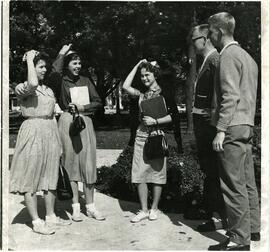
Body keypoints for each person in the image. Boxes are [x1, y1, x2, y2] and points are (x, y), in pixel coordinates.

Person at [207, 12, 260, 250]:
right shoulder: (248, 57)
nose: (210, 36)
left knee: (232, 184)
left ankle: (239, 239)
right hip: (246, 125)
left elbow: (230, 96)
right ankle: (253, 229)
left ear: (218, 31)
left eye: (210, 32)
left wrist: (220, 130)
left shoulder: (227, 56)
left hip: (231, 126)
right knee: (247, 181)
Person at [9, 50, 71, 235]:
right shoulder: (23, 87)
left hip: (49, 130)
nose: (44, 70)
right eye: (41, 66)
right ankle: (36, 221)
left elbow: (52, 113)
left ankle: (50, 216)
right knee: (31, 176)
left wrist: (57, 141)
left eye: (45, 66)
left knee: (51, 174)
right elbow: (33, 82)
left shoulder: (49, 89)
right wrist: (29, 58)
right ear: (32, 67)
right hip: (32, 131)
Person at [52, 44, 105, 222]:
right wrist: (62, 53)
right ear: (67, 65)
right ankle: (75, 206)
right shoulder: (61, 81)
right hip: (67, 121)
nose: (77, 66)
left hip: (85, 122)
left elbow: (98, 101)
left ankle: (90, 206)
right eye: (74, 63)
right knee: (70, 162)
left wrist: (84, 106)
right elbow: (54, 70)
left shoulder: (86, 80)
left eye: (79, 63)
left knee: (88, 164)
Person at [123, 59, 178, 222]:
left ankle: (154, 208)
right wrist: (137, 64)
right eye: (142, 76)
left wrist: (155, 122)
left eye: (147, 74)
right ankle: (144, 210)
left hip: (157, 135)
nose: (144, 78)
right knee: (139, 173)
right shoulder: (141, 94)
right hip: (141, 135)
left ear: (155, 74)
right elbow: (125, 86)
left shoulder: (165, 93)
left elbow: (173, 117)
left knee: (156, 173)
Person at [190, 24, 226, 232]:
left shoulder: (214, 59)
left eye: (195, 39)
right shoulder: (207, 60)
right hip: (202, 123)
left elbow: (221, 92)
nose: (193, 44)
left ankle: (219, 217)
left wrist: (211, 114)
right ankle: (214, 214)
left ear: (205, 39)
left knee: (212, 170)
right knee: (208, 170)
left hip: (208, 125)